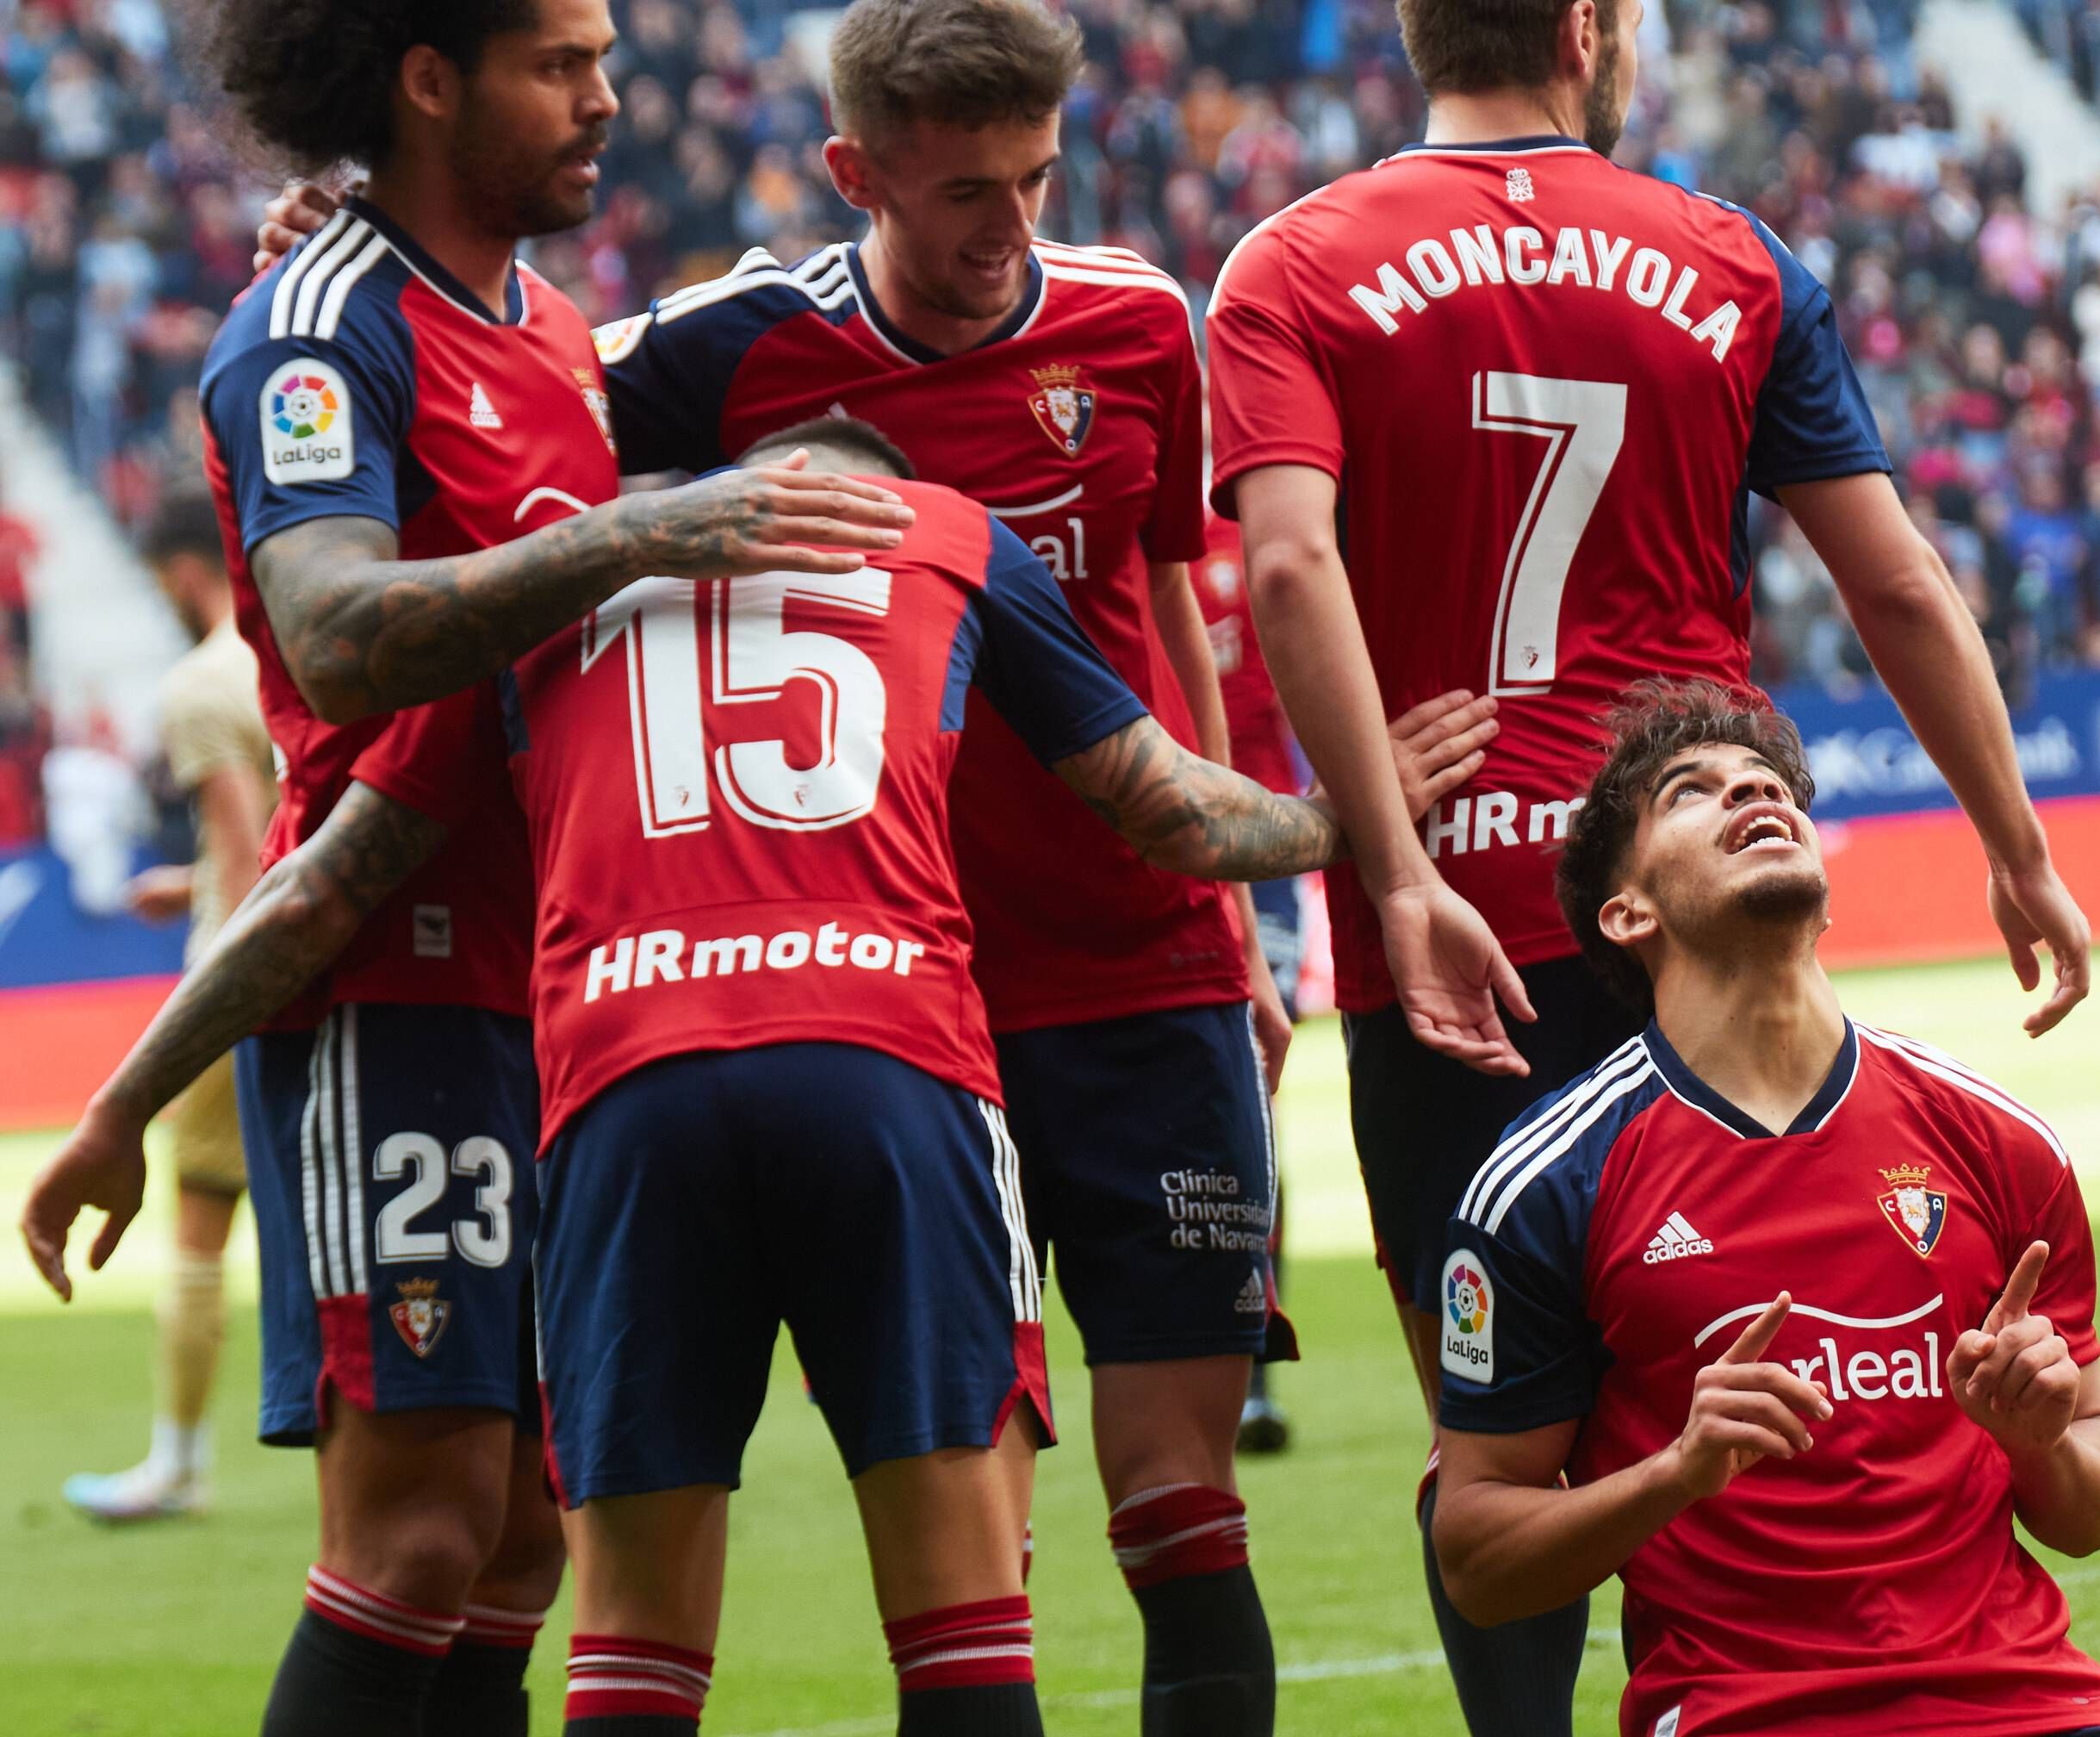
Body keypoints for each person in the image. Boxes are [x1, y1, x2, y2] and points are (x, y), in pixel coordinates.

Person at [253, 4, 1484, 1724]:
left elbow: (1159, 599)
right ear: (857, 176)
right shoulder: (714, 350)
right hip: (904, 986)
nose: (1010, 231)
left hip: (1138, 966)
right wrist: (355, 255)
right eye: (965, 192)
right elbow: (489, 390)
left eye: (1037, 181)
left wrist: (1241, 929)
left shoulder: (1139, 324)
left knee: (1179, 1498)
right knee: (976, 1521)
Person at [25, 415, 1364, 1737]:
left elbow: (318, 889)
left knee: (633, 1647)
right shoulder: (950, 537)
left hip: (627, 1088)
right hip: (888, 1065)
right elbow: (1171, 809)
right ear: (876, 491)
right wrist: (1349, 816)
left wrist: (120, 1107)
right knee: (962, 1622)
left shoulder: (549, 580)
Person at [21, 6, 910, 1734]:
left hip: (563, 985)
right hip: (397, 987)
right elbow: (341, 636)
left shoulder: (556, 331)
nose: (608, 98)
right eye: (560, 62)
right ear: (427, 75)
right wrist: (634, 529)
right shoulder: (311, 328)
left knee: (516, 1541)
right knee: (420, 1535)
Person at [1204, 0, 2094, 1724]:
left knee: (1499, 1452)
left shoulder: (1292, 264)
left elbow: (1294, 572)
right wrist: (2017, 845)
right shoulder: (1730, 258)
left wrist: (1394, 872)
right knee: (1786, 1394)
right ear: (1590, 30)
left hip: (1456, 931)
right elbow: (1896, 581)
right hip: (1691, 925)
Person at [1432, 678, 2100, 1737]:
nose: (1752, 795)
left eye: (1767, 785)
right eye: (1693, 792)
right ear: (1629, 912)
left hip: (2027, 1710)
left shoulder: (2000, 1143)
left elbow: (2090, 1508)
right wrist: (1674, 1475)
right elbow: (1479, 1564)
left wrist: (2036, 1440)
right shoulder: (1545, 1186)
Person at [62, 489, 276, 1525]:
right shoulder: (304, 654)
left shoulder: (201, 685)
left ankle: (177, 1464)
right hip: (343, 973)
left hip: (246, 987)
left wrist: (225, 989)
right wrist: (187, 881)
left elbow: (244, 863)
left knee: (199, 1218)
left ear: (183, 573)